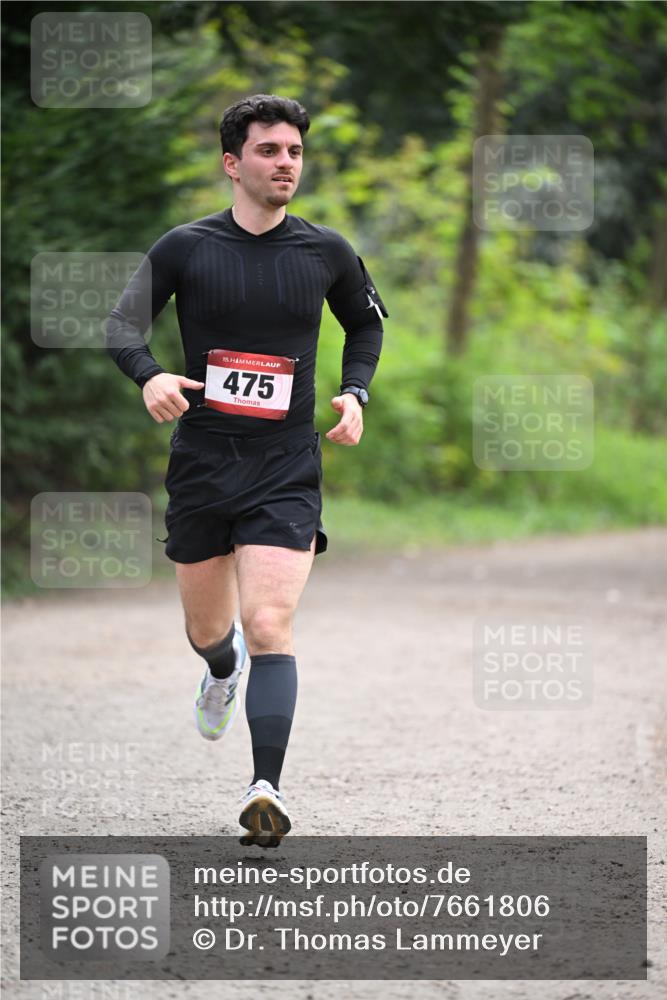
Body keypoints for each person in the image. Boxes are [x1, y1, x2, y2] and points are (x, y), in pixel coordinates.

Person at [106, 94, 387, 848]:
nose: (285, 163)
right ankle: (219, 669)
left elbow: (365, 322)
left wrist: (354, 390)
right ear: (233, 163)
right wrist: (149, 375)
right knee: (210, 630)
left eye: (294, 151)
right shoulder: (186, 248)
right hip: (202, 461)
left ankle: (265, 787)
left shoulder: (325, 251)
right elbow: (122, 323)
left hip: (285, 465)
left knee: (270, 621)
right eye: (268, 150)